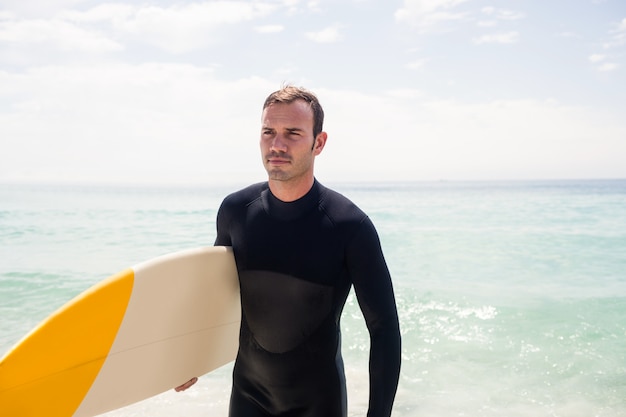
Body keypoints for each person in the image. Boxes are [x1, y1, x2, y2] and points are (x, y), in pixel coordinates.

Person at [176, 86, 401, 417]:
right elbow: (217, 296)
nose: (277, 144)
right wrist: (190, 356)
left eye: (292, 133)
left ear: (318, 143)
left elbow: (384, 330)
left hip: (318, 405)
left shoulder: (349, 226)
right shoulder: (236, 212)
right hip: (248, 399)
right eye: (269, 132)